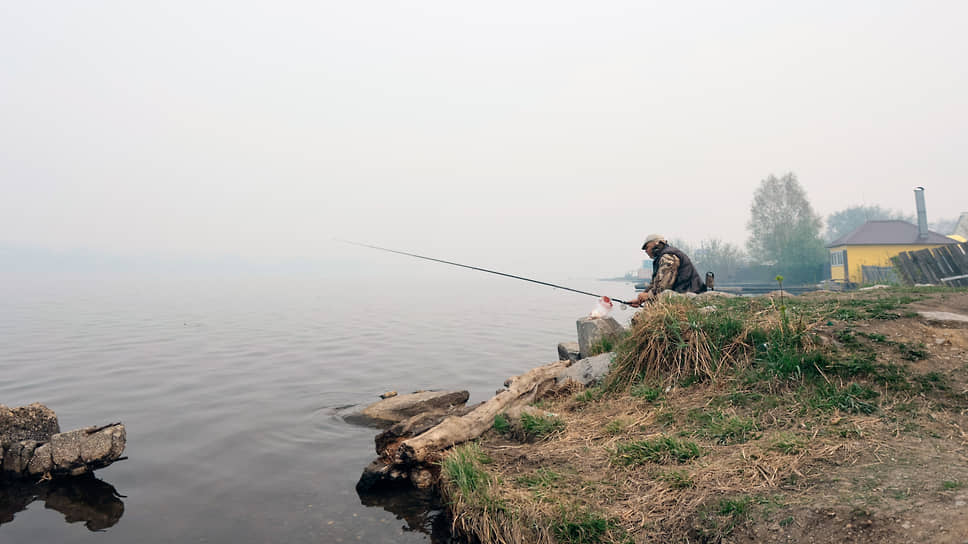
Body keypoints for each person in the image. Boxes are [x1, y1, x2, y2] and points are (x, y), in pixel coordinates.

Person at [629, 234, 708, 307]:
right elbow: (655, 284)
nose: (645, 251)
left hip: (689, 296)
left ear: (656, 243)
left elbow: (665, 286)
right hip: (682, 295)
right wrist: (640, 299)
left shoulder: (668, 257)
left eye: (646, 247)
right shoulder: (662, 257)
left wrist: (648, 296)